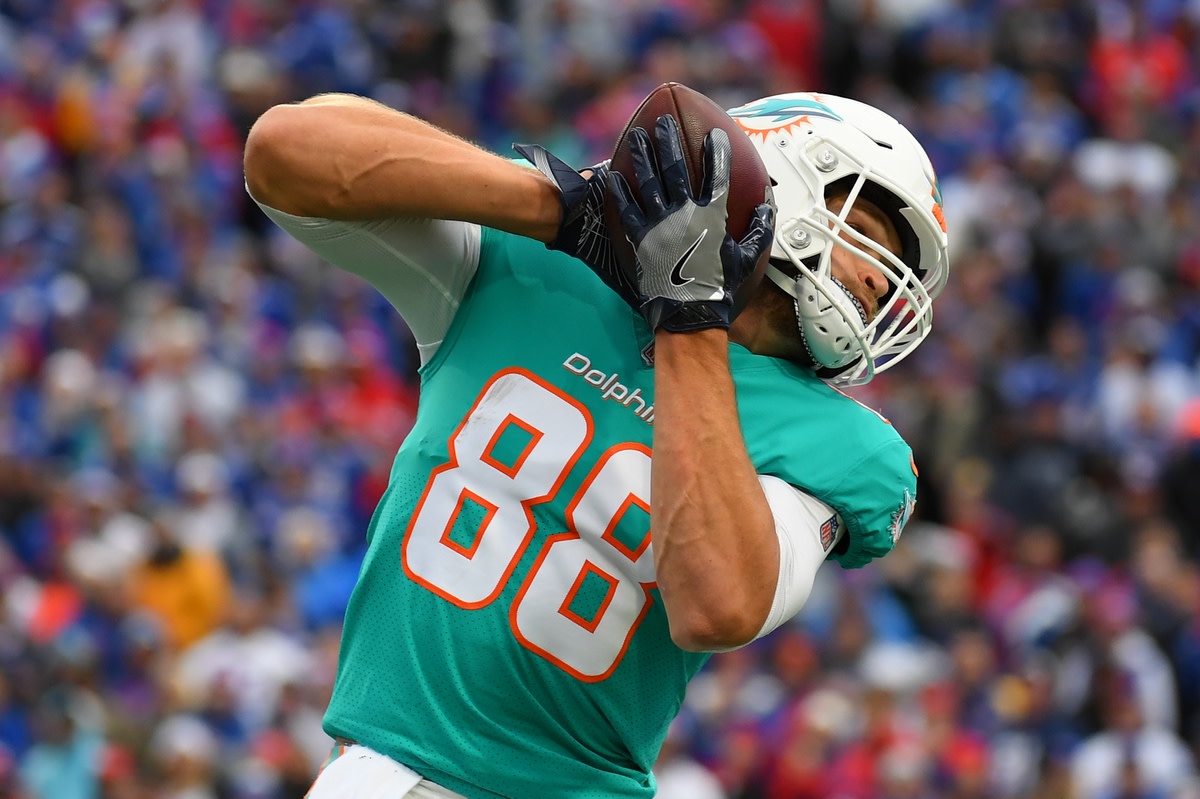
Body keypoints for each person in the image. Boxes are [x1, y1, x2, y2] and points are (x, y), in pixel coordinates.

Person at [242, 85, 949, 798]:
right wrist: (568, 211)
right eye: (868, 231)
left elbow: (719, 604)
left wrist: (690, 316)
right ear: (777, 175)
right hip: (365, 772)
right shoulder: (538, 273)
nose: (877, 280)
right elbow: (285, 153)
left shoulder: (841, 440)